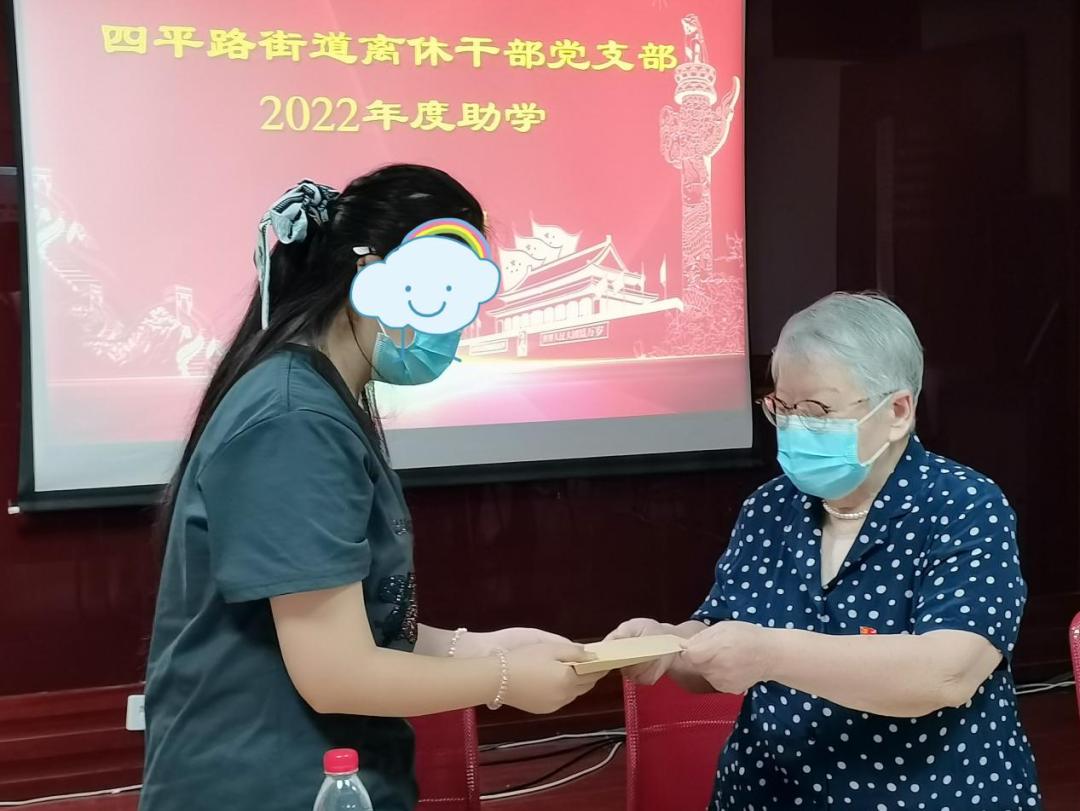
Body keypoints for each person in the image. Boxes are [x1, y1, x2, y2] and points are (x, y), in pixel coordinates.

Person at [141, 165, 603, 811]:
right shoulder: (292, 419)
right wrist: (501, 679)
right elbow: (335, 671)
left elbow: (357, 626)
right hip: (272, 784)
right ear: (369, 272)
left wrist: (486, 646)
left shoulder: (317, 399)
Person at [609, 292, 1043, 810]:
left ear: (897, 411)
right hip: (767, 792)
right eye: (783, 408)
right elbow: (720, 640)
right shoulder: (769, 508)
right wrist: (667, 645)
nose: (795, 428)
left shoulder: (963, 505)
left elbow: (947, 672)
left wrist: (770, 653)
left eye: (817, 411)